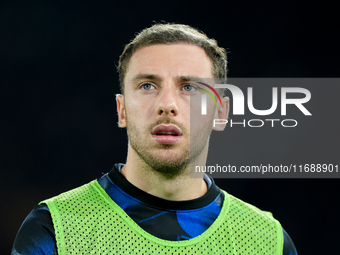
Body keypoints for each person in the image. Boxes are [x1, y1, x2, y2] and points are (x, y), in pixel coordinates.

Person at [12, 23, 298, 255]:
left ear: (220, 114)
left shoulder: (267, 242)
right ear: (122, 110)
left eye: (189, 87)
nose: (167, 104)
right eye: (147, 85)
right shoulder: (53, 230)